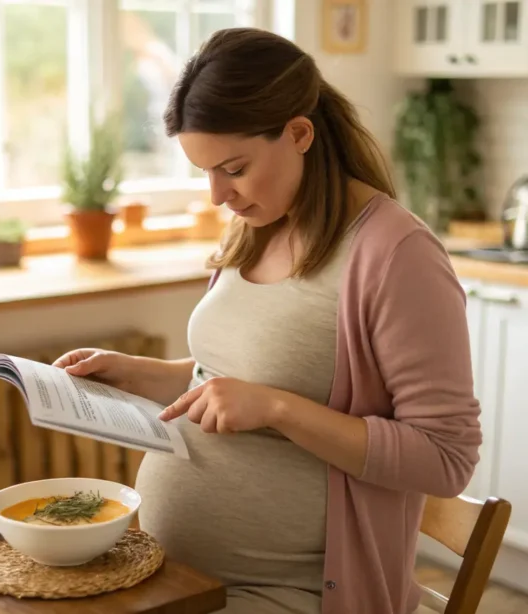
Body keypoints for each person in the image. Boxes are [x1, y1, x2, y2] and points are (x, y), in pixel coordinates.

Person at [53, 28, 481, 614]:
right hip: (171, 571)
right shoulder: (259, 223)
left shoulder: (396, 255)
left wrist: (277, 409)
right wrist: (136, 374)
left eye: (232, 168)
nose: (217, 196)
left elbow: (446, 457)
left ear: (300, 133)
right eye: (204, 172)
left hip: (291, 594)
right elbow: (233, 380)